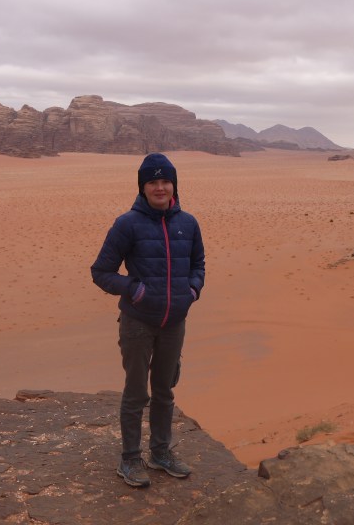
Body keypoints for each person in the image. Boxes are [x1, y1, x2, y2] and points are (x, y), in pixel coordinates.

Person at [91, 152, 205, 488]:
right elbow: (101, 272)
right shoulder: (127, 224)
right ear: (143, 187)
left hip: (174, 322)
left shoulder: (189, 223)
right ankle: (129, 459)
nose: (159, 187)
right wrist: (136, 291)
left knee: (165, 390)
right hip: (138, 322)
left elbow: (198, 265)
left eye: (165, 181)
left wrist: (192, 291)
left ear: (174, 185)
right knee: (137, 392)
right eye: (152, 182)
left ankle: (160, 452)